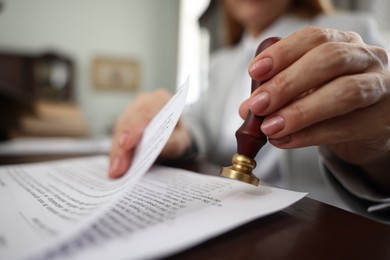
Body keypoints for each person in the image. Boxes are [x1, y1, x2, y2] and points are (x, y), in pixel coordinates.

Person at [109, 0, 390, 221]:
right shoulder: (221, 63)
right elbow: (200, 122)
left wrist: (379, 153)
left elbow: (380, 120)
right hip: (223, 214)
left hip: (322, 226)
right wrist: (178, 130)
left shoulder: (352, 34)